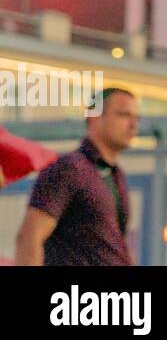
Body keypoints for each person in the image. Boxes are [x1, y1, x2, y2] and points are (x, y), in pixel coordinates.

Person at [15, 88, 139, 266]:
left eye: (137, 118)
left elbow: (118, 244)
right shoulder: (68, 169)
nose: (133, 125)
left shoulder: (116, 175)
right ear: (95, 117)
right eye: (124, 115)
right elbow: (29, 237)